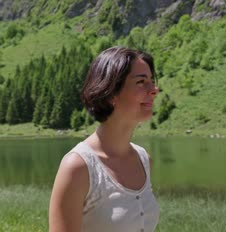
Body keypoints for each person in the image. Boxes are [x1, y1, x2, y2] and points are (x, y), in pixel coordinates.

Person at [49, 47, 160, 232]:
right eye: (141, 82)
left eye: (152, 81)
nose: (154, 90)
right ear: (111, 93)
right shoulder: (77, 167)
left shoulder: (144, 160)